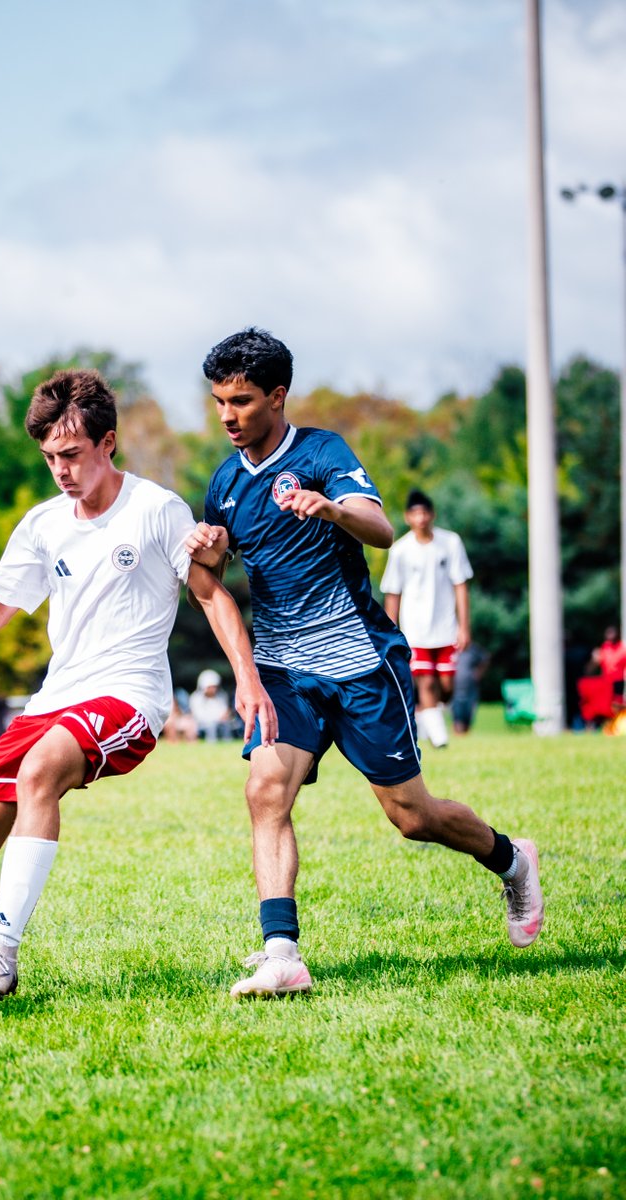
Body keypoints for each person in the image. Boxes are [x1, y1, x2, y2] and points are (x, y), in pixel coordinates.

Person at [0, 367, 276, 999]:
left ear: (108, 443)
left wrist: (247, 679)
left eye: (72, 454)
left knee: (40, 771)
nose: (61, 469)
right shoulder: (43, 524)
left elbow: (211, 595)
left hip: (129, 696)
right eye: (50, 456)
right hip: (55, 699)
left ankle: (1, 950)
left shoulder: (157, 509)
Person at [186, 328, 544, 999]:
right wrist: (204, 549)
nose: (228, 416)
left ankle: (510, 857)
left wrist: (330, 509)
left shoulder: (323, 453)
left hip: (356, 660)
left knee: (412, 816)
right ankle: (282, 952)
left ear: (278, 395)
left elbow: (379, 528)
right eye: (218, 402)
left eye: (241, 400)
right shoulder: (227, 482)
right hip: (284, 672)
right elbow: (213, 573)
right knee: (266, 791)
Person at [380, 489, 474, 749]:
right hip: (416, 629)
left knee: (447, 684)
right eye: (415, 513)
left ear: (432, 514)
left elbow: (461, 586)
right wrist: (392, 630)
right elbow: (393, 593)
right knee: (426, 680)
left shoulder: (450, 543)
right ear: (408, 517)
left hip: (446, 628)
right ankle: (439, 738)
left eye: (425, 512)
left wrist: (464, 626)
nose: (421, 518)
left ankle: (429, 716)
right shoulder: (400, 550)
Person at [450, 642, 490, 734]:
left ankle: (465, 736)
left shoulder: (473, 649)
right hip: (454, 689)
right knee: (456, 715)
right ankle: (458, 735)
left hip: (471, 688)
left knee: (468, 714)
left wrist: (479, 673)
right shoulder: (450, 647)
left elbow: (486, 658)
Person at [189, 668, 234, 741]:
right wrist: (215, 718)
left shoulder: (221, 696)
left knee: (226, 725)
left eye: (215, 687)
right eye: (210, 687)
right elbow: (198, 715)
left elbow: (224, 710)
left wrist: (223, 716)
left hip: (221, 722)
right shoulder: (196, 698)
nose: (213, 689)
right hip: (204, 723)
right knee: (211, 726)